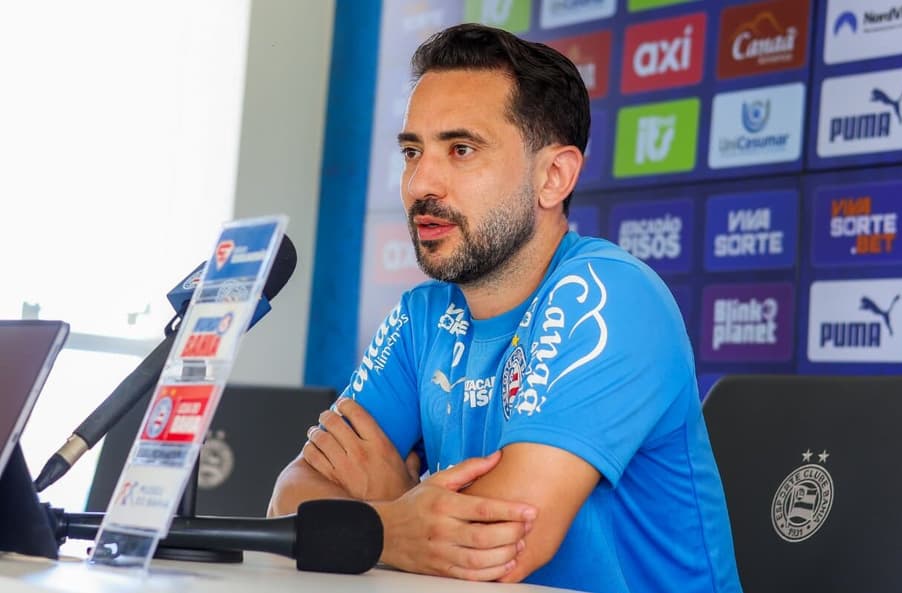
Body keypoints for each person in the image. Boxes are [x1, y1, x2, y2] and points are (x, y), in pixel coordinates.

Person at [270, 23, 742, 593]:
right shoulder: (421, 316)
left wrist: (387, 507)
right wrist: (400, 524)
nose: (420, 183)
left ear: (554, 176)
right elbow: (289, 500)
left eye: (461, 150)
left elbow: (497, 547)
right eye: (413, 152)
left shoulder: (608, 295)